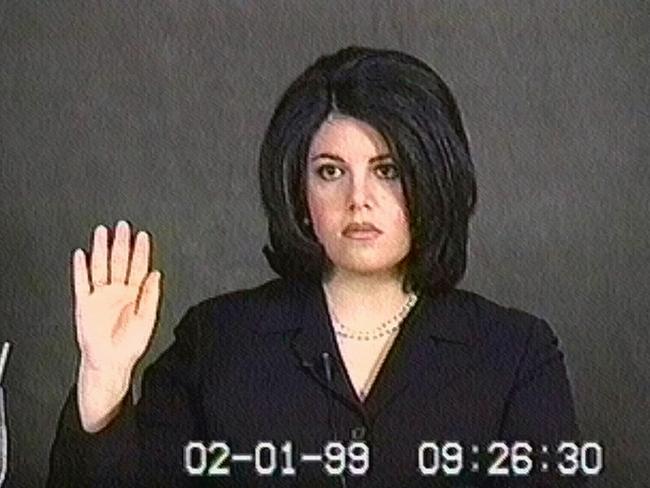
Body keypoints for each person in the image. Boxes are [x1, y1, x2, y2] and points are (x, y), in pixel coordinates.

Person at [47, 46, 588, 487]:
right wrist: (104, 383)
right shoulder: (215, 340)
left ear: (436, 178)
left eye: (388, 170)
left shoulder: (515, 353)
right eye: (330, 171)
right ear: (299, 191)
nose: (359, 199)